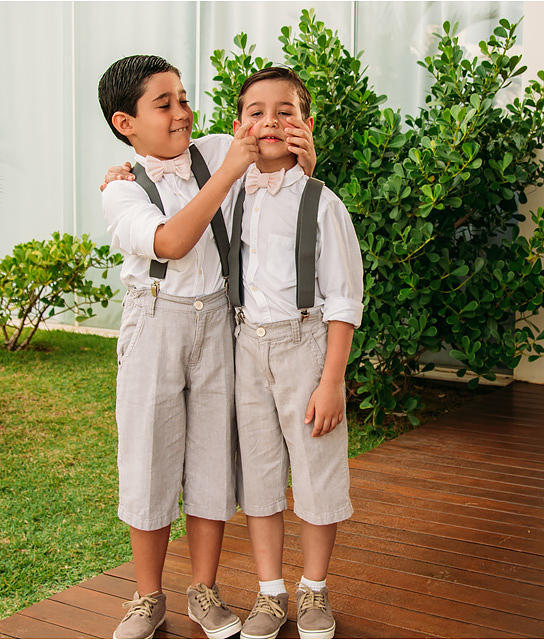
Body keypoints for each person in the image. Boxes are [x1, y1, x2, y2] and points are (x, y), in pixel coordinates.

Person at [97, 55, 315, 640]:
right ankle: (147, 598)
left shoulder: (217, 149)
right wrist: (226, 174)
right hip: (155, 326)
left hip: (219, 320)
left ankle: (204, 589)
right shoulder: (121, 194)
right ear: (126, 123)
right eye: (163, 104)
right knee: (149, 459)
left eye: (184, 99)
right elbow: (169, 241)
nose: (182, 113)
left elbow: (276, 153)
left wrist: (298, 149)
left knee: (212, 459)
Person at [227, 67, 363, 640]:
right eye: (256, 111)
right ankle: (269, 593)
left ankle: (313, 589)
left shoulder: (321, 201)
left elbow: (344, 296)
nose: (270, 121)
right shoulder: (230, 191)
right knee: (259, 473)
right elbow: (174, 169)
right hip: (245, 347)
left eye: (285, 111)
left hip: (304, 346)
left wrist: (331, 381)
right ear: (239, 126)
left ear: (305, 125)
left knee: (316, 471)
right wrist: (127, 169)